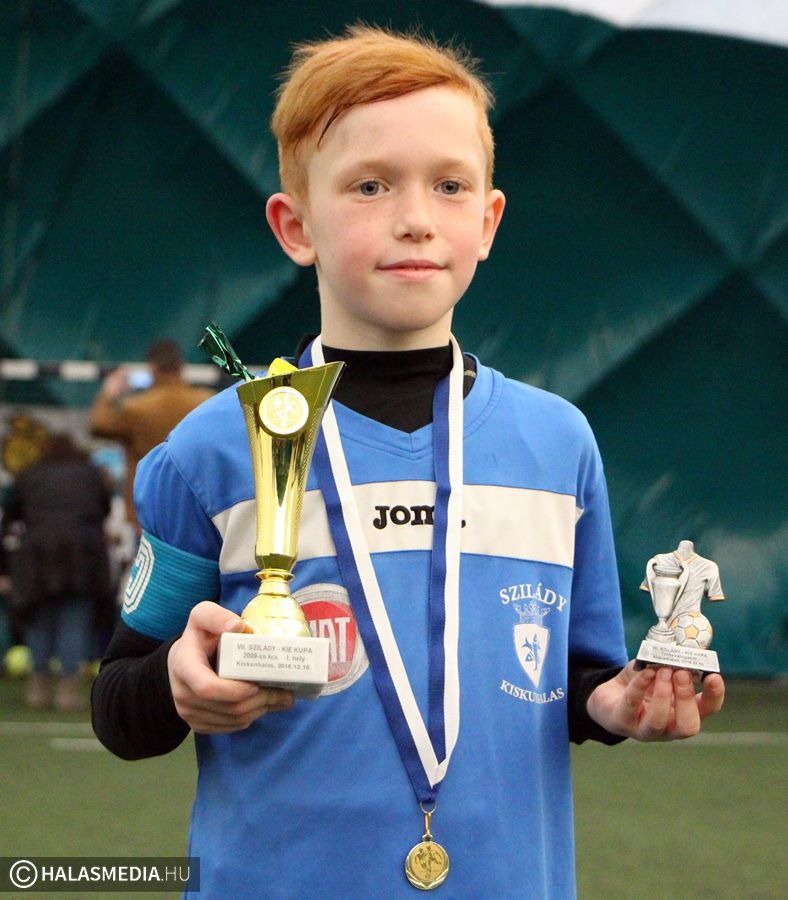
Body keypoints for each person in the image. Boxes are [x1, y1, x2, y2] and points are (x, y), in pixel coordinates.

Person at [91, 26, 725, 899]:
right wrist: (175, 683)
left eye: (449, 185)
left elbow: (575, 677)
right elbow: (118, 706)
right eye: (370, 185)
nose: (417, 217)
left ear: (488, 221)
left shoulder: (558, 443)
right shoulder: (213, 447)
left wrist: (617, 703)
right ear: (296, 226)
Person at [4, 433, 112, 709]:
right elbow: (104, 509)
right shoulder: (90, 474)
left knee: (38, 621)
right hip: (82, 558)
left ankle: (38, 686)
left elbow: (12, 514)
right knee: (74, 622)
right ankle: (68, 689)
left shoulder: (30, 474)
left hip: (36, 557)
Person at [89, 339, 214, 524]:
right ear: (181, 366)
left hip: (148, 507)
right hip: (196, 508)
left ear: (152, 367)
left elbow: (98, 425)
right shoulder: (205, 402)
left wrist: (109, 393)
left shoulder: (135, 408)